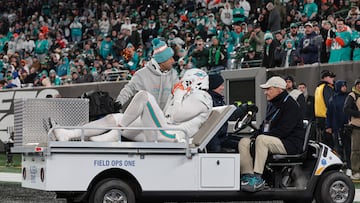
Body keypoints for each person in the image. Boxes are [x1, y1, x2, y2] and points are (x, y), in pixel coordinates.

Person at [52, 68, 213, 143]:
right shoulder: (190, 96)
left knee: (144, 96)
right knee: (113, 117)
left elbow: (176, 116)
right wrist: (176, 96)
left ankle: (119, 130)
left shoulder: (202, 97)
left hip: (173, 137)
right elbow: (167, 115)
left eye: (184, 81)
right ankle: (70, 134)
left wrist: (178, 95)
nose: (180, 84)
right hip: (165, 131)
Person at [239, 76, 304, 192]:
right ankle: (248, 176)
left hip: (290, 143)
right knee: (244, 142)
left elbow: (284, 130)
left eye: (269, 89)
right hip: (276, 139)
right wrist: (256, 135)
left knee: (262, 140)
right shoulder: (272, 105)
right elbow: (265, 126)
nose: (265, 92)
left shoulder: (291, 105)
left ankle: (258, 177)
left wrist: (260, 136)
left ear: (279, 90)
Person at [115, 38, 179, 111]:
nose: (173, 61)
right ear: (162, 61)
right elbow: (129, 89)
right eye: (170, 59)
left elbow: (178, 92)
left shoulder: (173, 74)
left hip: (167, 118)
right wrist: (119, 102)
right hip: (147, 118)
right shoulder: (142, 74)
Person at [326, 80, 351, 176]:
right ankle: (339, 167)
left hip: (348, 127)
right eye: (342, 86)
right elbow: (329, 114)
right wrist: (329, 126)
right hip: (336, 127)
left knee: (348, 147)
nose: (344, 88)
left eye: (345, 86)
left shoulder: (349, 97)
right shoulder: (333, 99)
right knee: (337, 148)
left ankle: (349, 167)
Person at [314, 69, 336, 147]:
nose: (333, 79)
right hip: (326, 119)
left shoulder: (318, 87)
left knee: (323, 142)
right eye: (331, 77)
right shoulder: (327, 87)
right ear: (325, 78)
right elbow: (330, 103)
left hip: (319, 118)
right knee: (330, 143)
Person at [344, 79, 360, 179]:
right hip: (356, 126)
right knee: (356, 150)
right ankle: (355, 171)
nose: (359, 86)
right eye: (358, 84)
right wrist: (358, 114)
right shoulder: (352, 95)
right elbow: (346, 109)